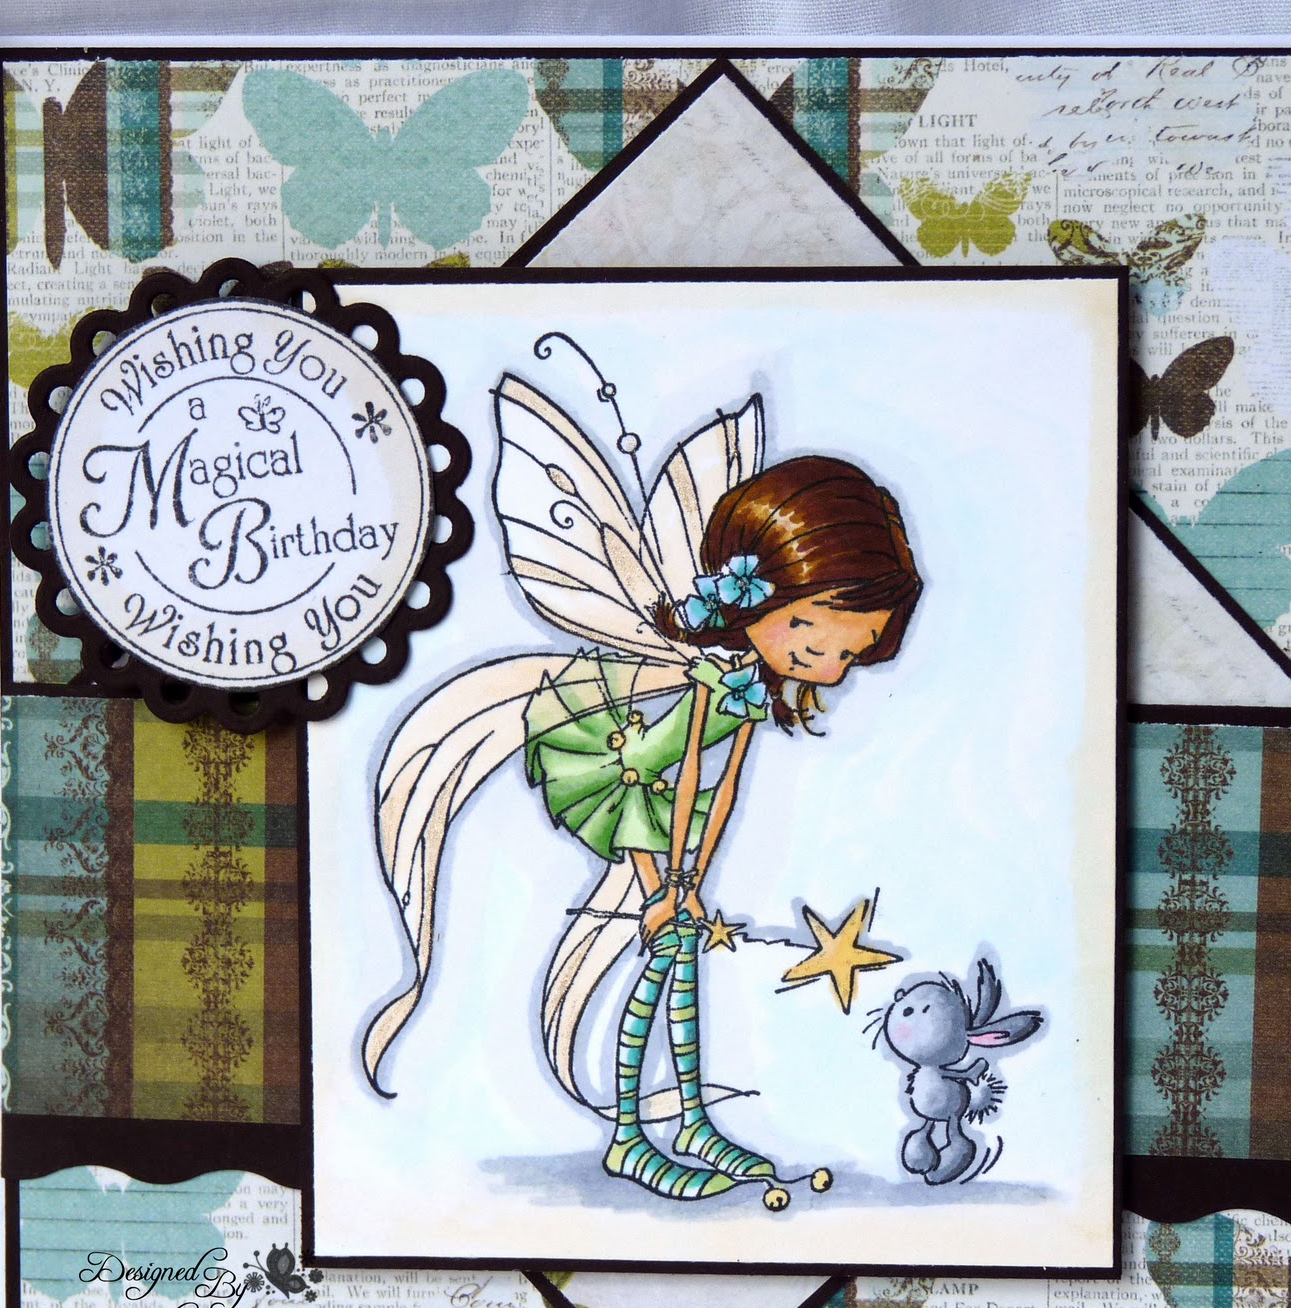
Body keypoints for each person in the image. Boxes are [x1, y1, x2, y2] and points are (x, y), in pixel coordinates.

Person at [367, 339, 922, 1206]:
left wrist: (694, 881)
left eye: (852, 654)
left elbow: (721, 787)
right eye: (814, 636)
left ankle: (691, 1121)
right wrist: (660, 887)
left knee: (681, 951)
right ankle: (629, 1136)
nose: (828, 665)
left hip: (653, 785)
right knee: (661, 952)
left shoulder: (752, 683)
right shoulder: (705, 674)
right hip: (599, 752)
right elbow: (660, 776)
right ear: (762, 596)